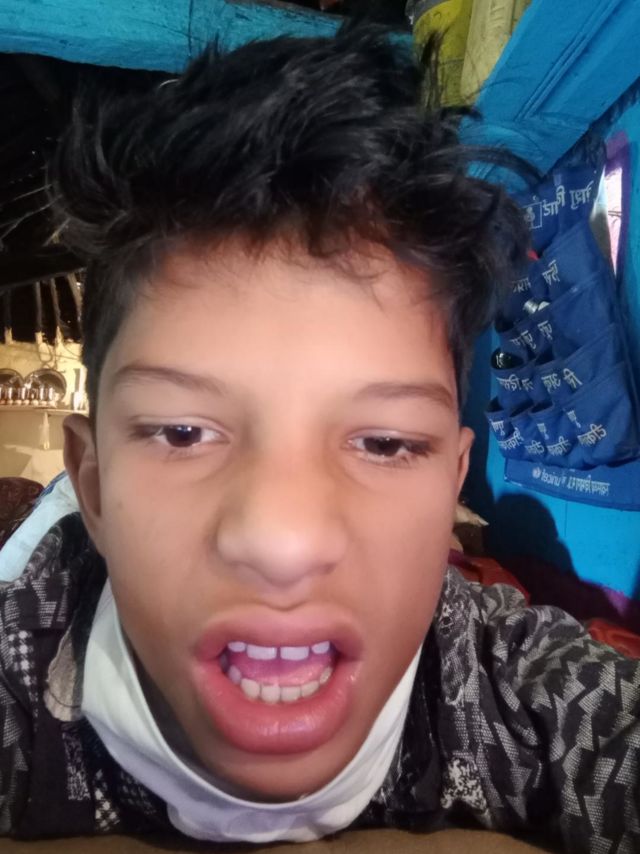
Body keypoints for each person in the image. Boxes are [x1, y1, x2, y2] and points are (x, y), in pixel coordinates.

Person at [1, 22, 639, 852]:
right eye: (184, 432)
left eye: (386, 444)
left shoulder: (518, 693)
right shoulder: (21, 674)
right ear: (89, 483)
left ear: (452, 485)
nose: (283, 542)